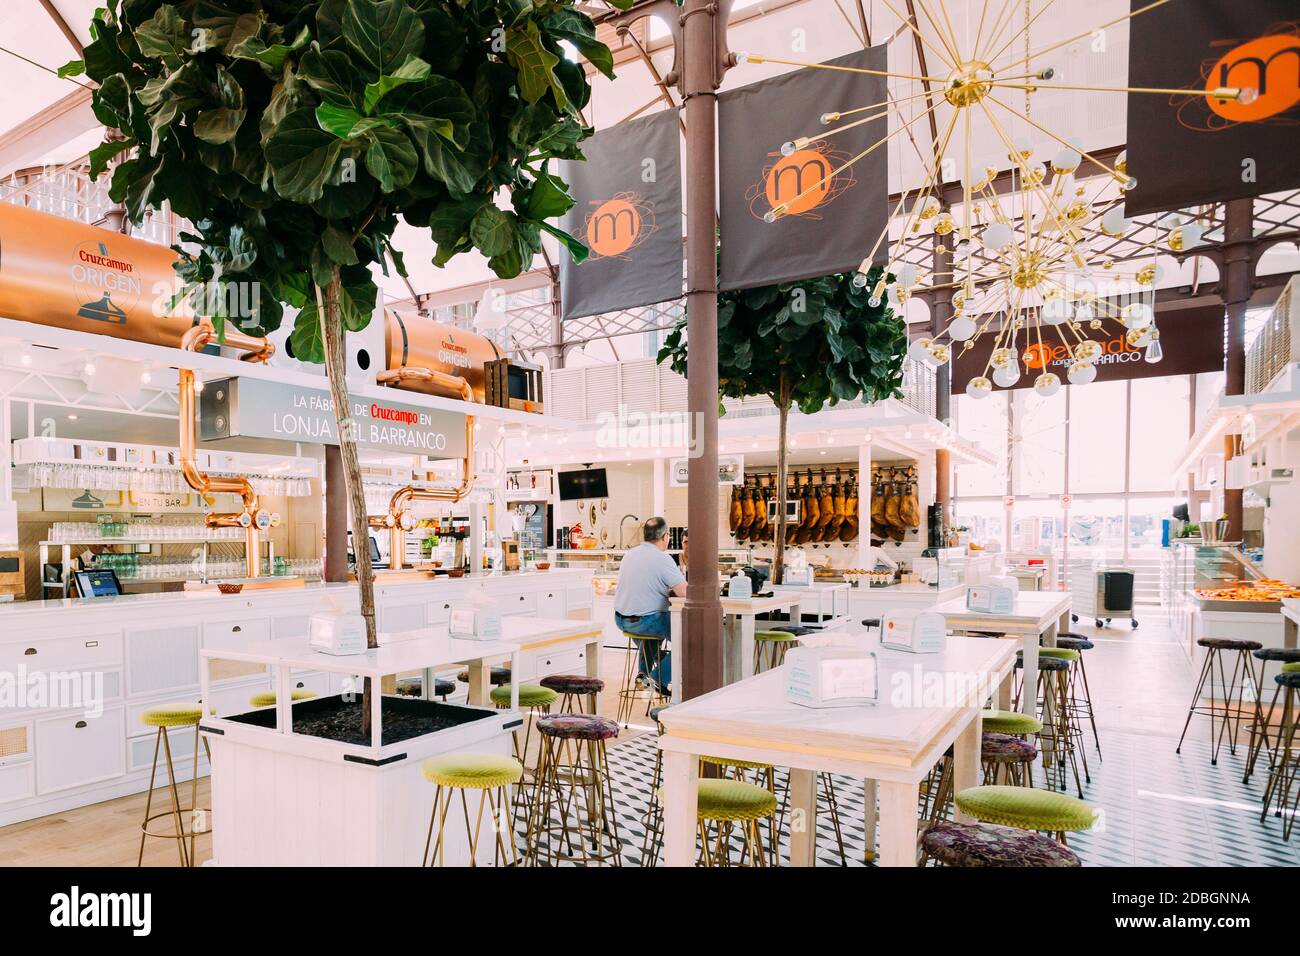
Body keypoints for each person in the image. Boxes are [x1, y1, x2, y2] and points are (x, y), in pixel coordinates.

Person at [613, 517, 686, 694]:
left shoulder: (630, 554)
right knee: (688, 640)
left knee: (653, 634)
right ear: (666, 536)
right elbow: (685, 593)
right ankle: (658, 677)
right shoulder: (663, 559)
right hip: (646, 621)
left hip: (621, 620)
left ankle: (644, 674)